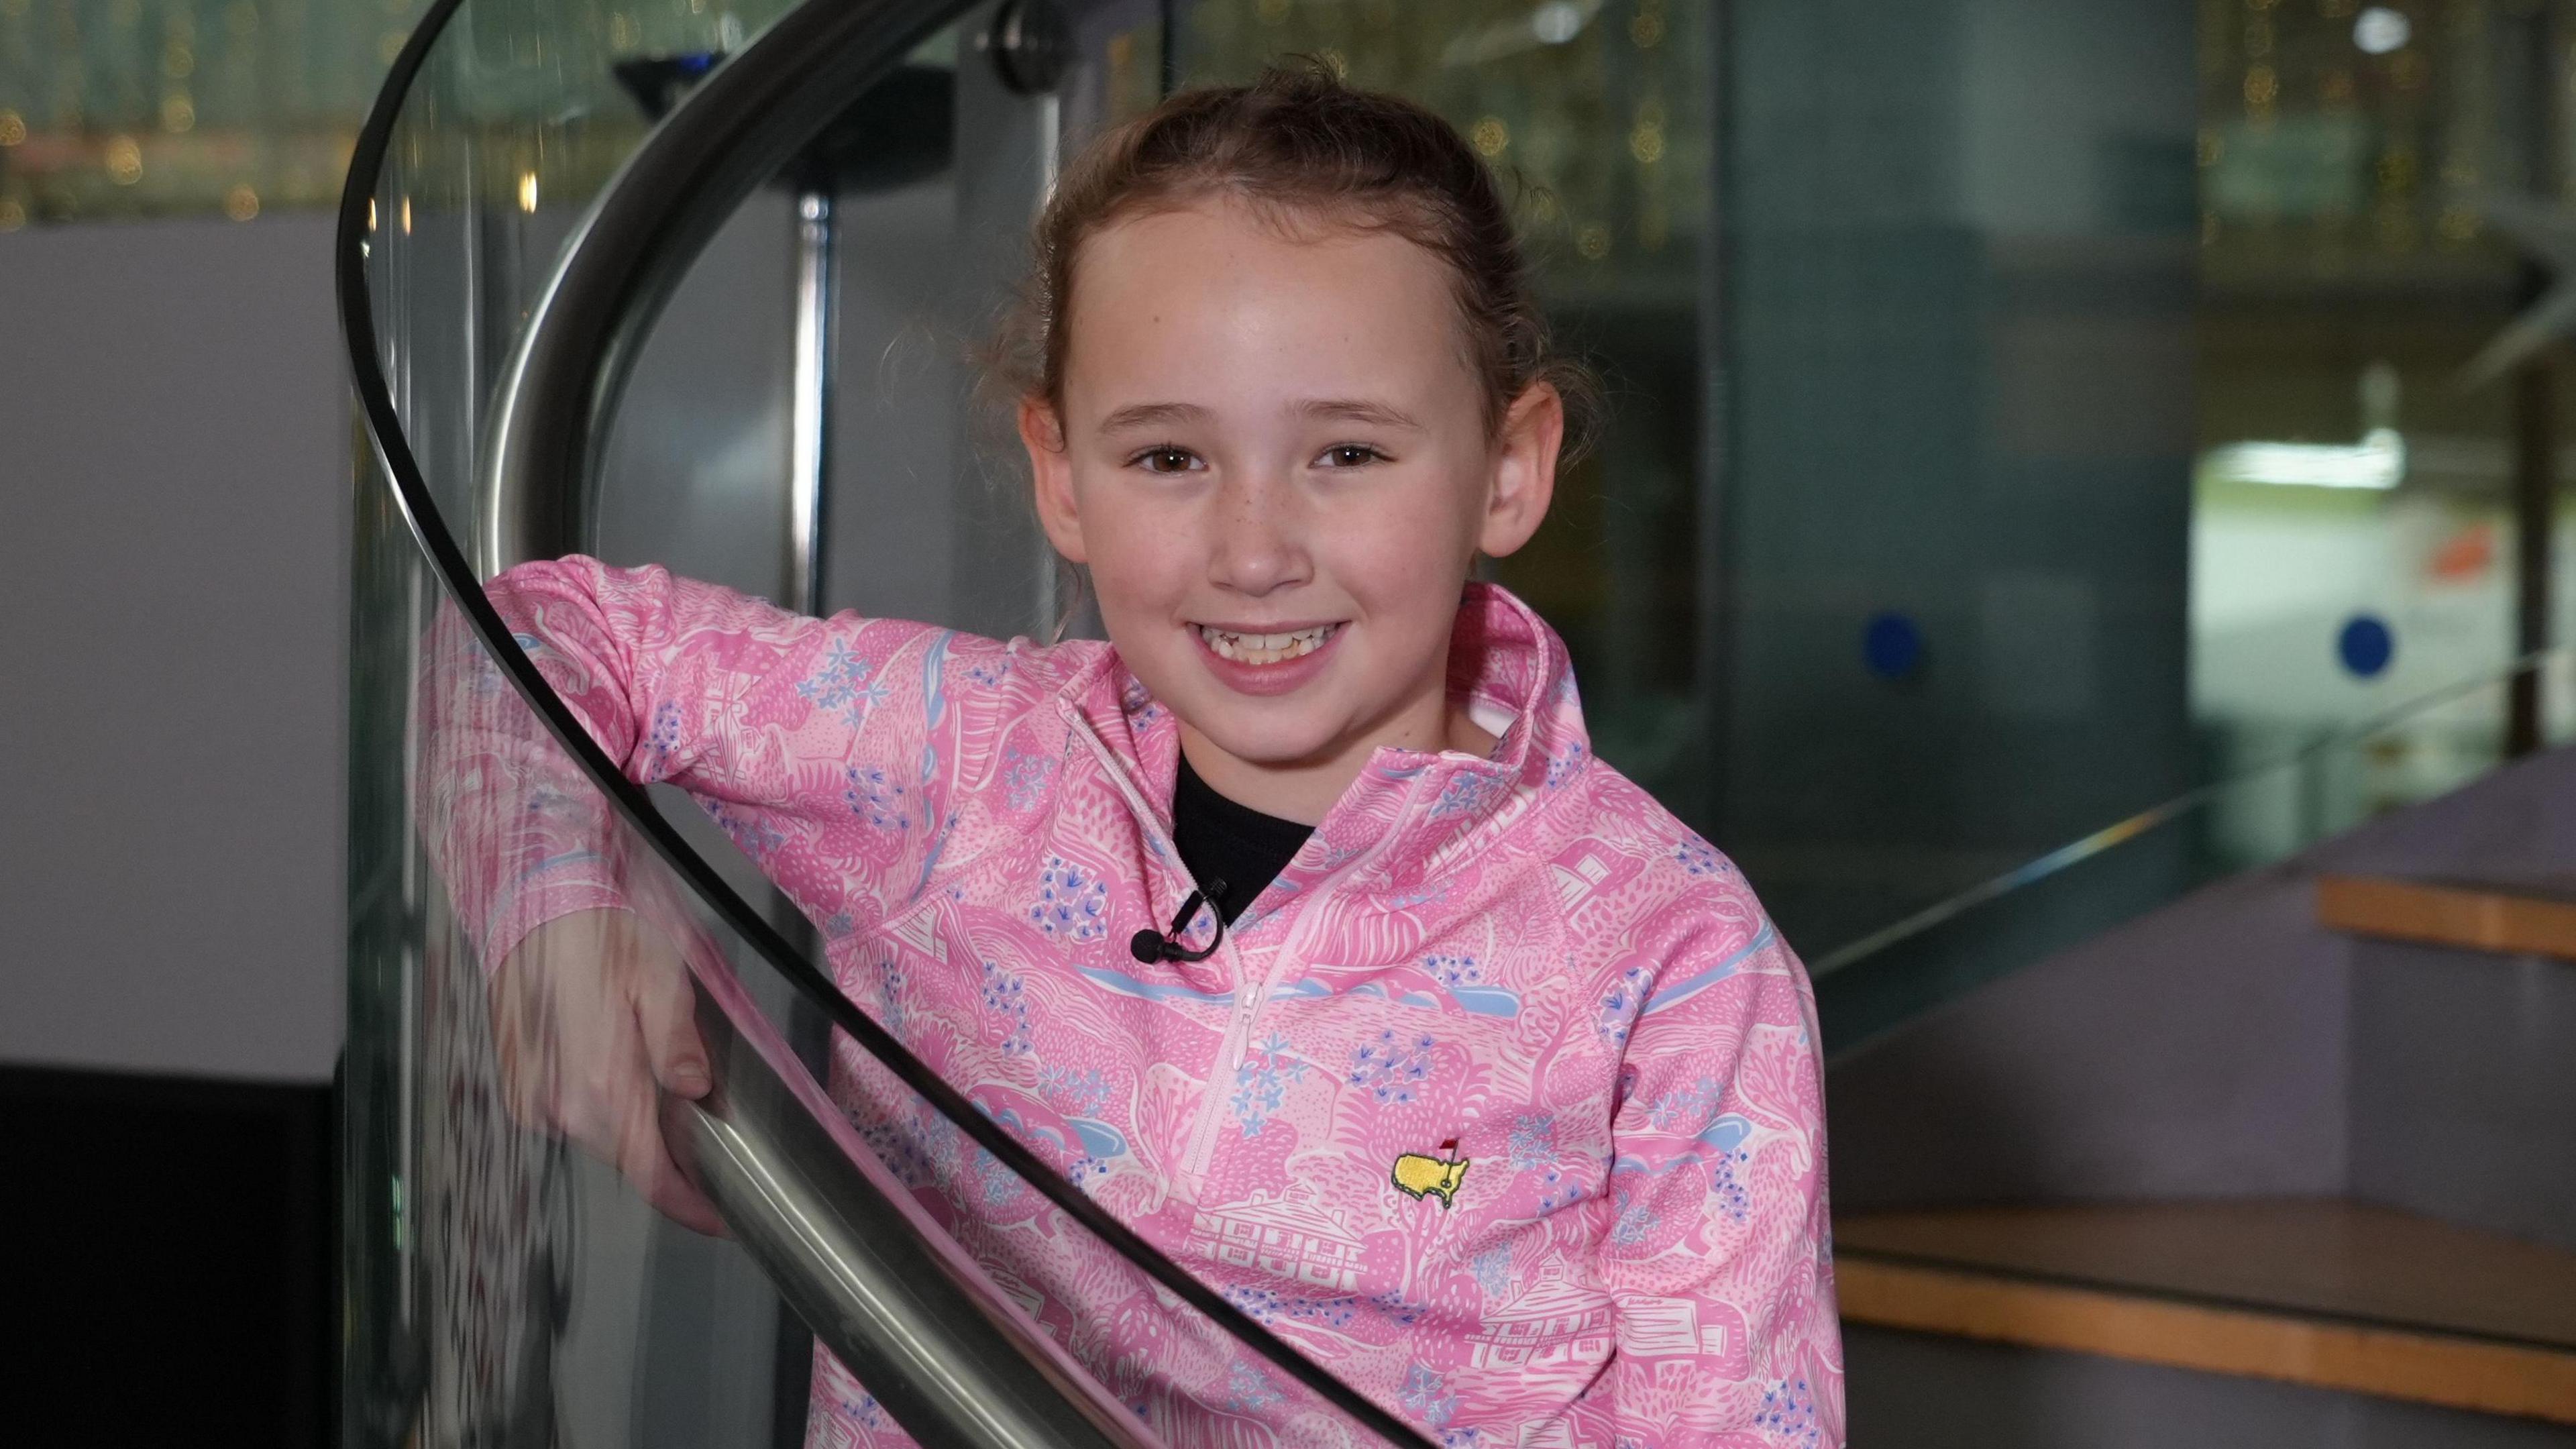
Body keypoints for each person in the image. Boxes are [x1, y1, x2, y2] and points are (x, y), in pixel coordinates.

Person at [440, 64, 1841, 1448]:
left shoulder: (1676, 959)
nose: (1252, 552)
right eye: (1170, 458)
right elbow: (543, 640)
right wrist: (556, 902)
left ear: (1509, 469)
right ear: (1062, 474)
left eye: (1348, 454)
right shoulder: (964, 764)